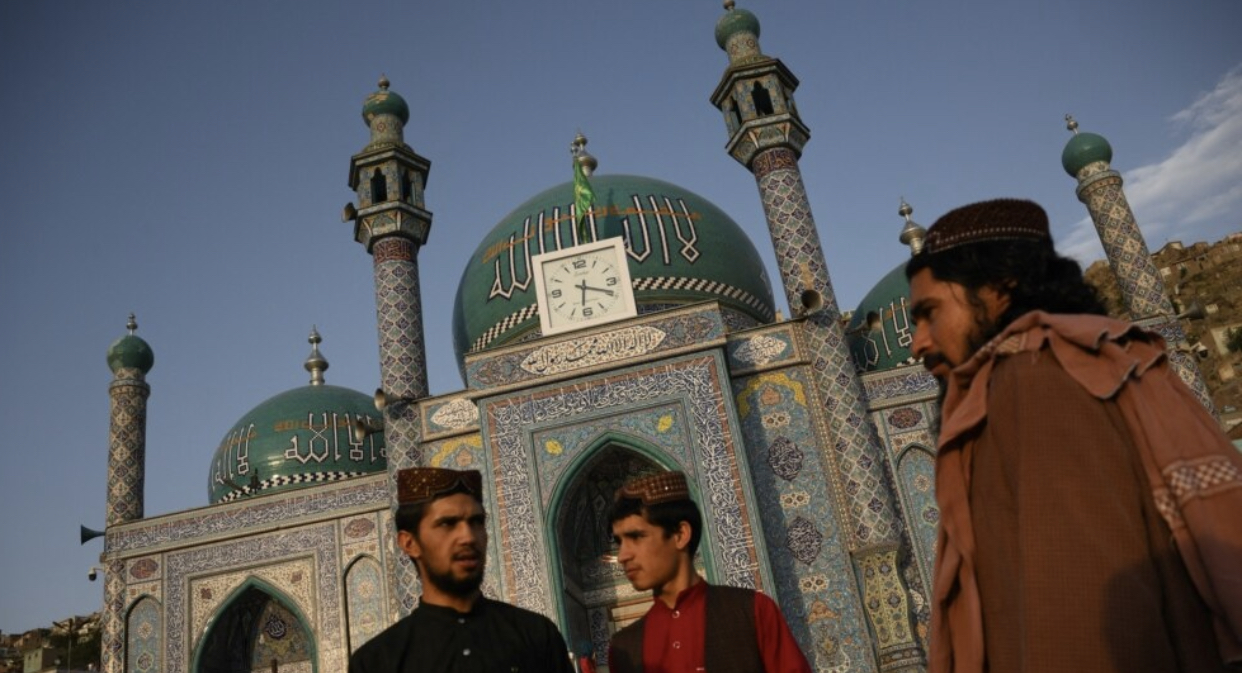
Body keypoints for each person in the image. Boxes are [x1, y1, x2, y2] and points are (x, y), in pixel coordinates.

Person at [905, 198, 1242, 673]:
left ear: (1000, 287)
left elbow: (1085, 599)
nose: (918, 342)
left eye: (930, 313)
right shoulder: (1086, 368)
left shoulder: (1034, 378)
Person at [348, 467, 573, 673]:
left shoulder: (535, 634)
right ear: (409, 543)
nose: (468, 537)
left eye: (476, 522)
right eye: (448, 524)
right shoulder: (377, 661)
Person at [606, 471, 813, 673]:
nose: (623, 555)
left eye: (636, 537)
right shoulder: (625, 647)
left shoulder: (751, 611)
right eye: (619, 542)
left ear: (680, 535)